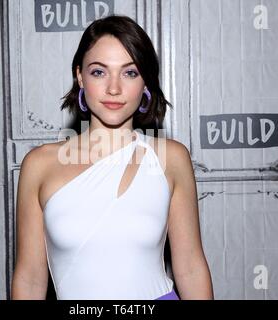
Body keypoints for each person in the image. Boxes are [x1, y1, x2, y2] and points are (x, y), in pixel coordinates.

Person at [11, 15, 213, 300]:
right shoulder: (39, 165)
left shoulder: (172, 158)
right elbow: (30, 279)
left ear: (145, 81)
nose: (114, 88)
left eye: (130, 73)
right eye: (99, 72)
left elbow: (191, 267)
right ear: (80, 75)